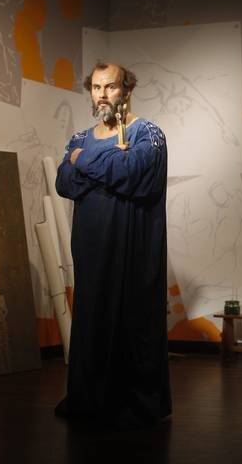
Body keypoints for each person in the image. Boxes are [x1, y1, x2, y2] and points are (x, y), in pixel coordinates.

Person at [54, 62, 171, 429]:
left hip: (133, 251)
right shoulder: (79, 138)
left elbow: (133, 173)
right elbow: (64, 182)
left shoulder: (148, 134)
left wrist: (84, 163)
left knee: (132, 322)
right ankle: (90, 398)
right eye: (96, 87)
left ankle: (134, 404)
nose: (102, 94)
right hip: (91, 250)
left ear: (127, 90)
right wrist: (108, 164)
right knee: (93, 321)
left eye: (111, 87)